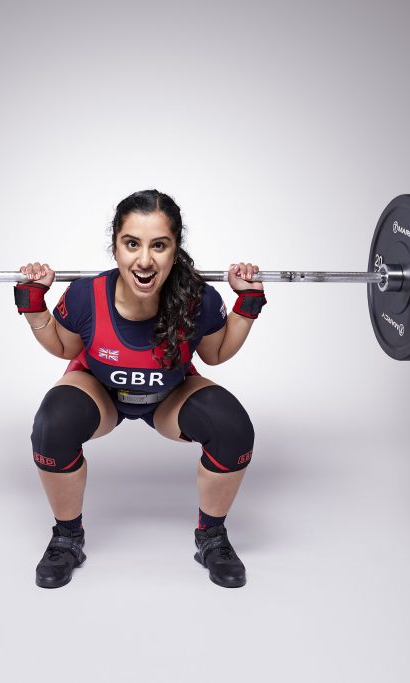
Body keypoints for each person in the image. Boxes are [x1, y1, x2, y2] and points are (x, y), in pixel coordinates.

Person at [14, 189, 267, 588]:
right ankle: (67, 537)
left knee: (231, 426)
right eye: (132, 244)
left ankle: (211, 536)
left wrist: (247, 304)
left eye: (159, 246)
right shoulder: (86, 296)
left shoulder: (196, 298)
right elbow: (64, 346)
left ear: (174, 250)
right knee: (53, 423)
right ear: (115, 245)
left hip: (169, 396)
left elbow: (215, 353)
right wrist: (33, 307)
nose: (145, 261)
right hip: (101, 393)